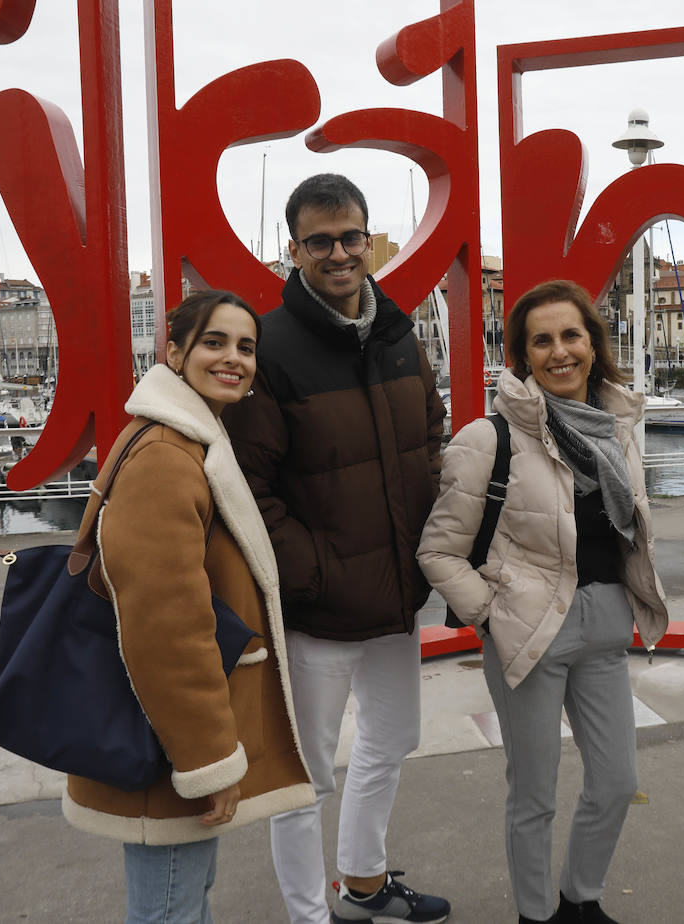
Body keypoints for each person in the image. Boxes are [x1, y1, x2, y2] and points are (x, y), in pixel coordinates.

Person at [222, 173, 449, 924]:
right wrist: (310, 573)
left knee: (392, 740)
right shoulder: (271, 346)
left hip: (394, 596)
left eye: (351, 236)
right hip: (316, 609)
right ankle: (306, 916)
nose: (339, 253)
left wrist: (433, 538)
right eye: (320, 241)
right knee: (305, 776)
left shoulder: (397, 332)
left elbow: (431, 434)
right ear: (294, 250)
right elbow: (250, 487)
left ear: (369, 238)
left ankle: (362, 883)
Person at [418, 279, 669, 924]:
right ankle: (535, 915)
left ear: (593, 343)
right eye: (542, 340)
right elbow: (437, 551)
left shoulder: (617, 428)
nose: (560, 352)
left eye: (571, 335)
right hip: (526, 632)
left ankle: (580, 901)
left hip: (606, 624)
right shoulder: (487, 438)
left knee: (615, 782)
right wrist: (489, 614)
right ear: (522, 354)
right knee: (533, 793)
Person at [62, 290, 314, 923]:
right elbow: (166, 628)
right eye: (214, 342)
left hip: (166, 729)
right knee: (172, 907)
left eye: (247, 347)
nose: (233, 359)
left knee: (180, 898)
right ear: (172, 350)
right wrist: (207, 762)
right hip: (170, 739)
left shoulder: (180, 437)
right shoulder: (168, 458)